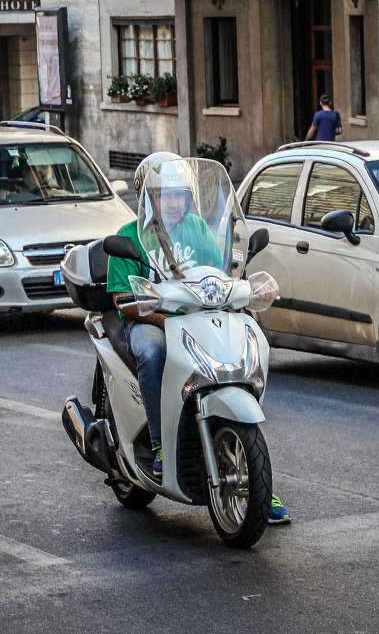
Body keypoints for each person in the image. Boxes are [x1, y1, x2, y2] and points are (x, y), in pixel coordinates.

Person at [106, 152, 291, 524]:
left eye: (180, 194)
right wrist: (162, 320)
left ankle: (254, 477)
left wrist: (237, 276)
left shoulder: (198, 229)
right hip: (153, 322)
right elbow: (121, 299)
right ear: (149, 198)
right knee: (154, 352)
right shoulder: (130, 238)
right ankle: (159, 445)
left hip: (199, 318)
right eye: (165, 195)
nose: (174, 202)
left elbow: (221, 267)